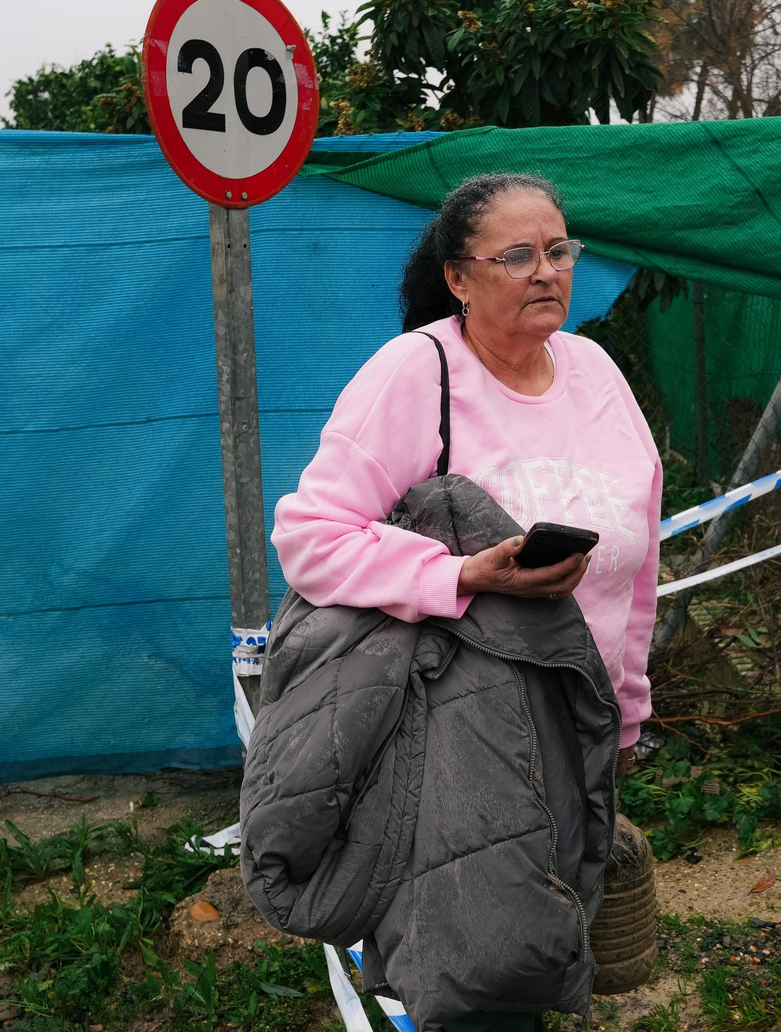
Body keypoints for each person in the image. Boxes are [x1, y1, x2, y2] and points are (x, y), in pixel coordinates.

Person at [271, 172, 661, 1029]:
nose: (545, 271)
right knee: (472, 974)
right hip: (459, 740)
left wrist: (626, 715)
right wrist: (458, 575)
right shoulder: (420, 371)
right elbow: (309, 536)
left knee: (539, 964)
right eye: (516, 255)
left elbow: (638, 565)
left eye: (559, 250)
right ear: (458, 275)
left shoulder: (597, 372)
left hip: (577, 731)